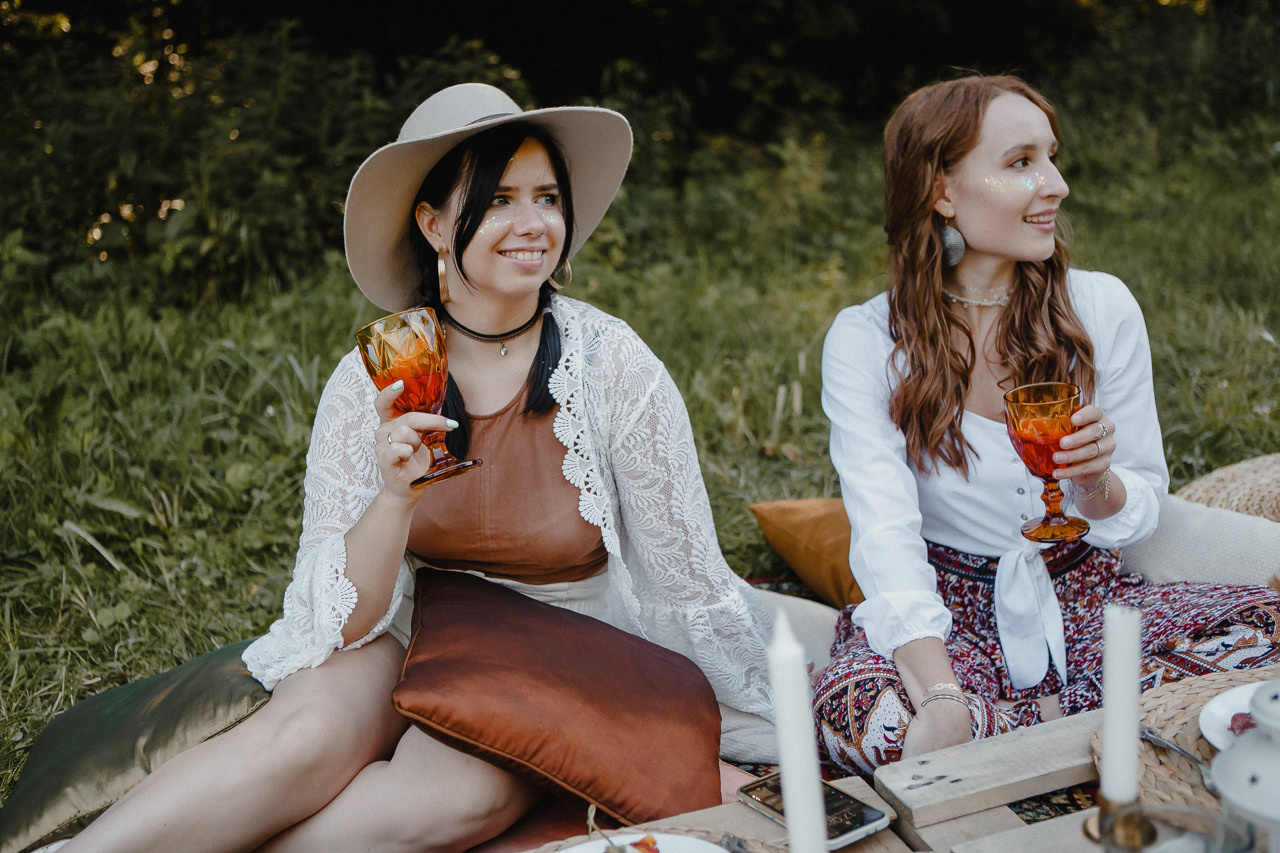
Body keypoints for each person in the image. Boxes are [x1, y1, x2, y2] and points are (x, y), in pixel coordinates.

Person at [61, 83, 774, 852]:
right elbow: (344, 618)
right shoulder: (375, 374)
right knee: (298, 738)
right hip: (415, 622)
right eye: (498, 199)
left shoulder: (614, 368)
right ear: (433, 223)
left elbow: (685, 580)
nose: (532, 225)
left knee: (447, 800)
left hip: (559, 650)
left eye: (546, 198)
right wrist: (396, 498)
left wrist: (721, 723)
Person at [814, 74, 1280, 780]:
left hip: (1087, 593)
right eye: (1021, 162)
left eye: (1052, 156)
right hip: (947, 614)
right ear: (941, 191)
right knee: (870, 723)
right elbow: (884, 534)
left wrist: (1097, 484)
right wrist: (941, 695)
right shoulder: (867, 340)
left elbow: (1143, 504)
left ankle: (1019, 731)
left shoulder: (1100, 307)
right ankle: (1096, 722)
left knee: (1267, 628)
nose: (1056, 183)